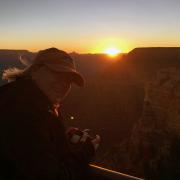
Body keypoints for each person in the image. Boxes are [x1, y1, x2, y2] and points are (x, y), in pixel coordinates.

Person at [0, 48, 101, 180]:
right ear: (35, 70)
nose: (64, 83)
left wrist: (57, 139)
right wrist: (84, 153)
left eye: (69, 80)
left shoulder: (16, 96)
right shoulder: (25, 111)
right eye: (57, 73)